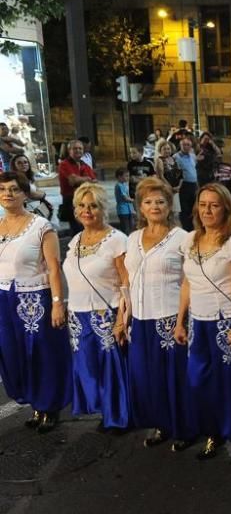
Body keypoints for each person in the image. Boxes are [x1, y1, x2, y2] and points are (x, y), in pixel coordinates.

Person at [173, 184, 231, 464]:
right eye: (203, 204)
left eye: (214, 205)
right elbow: (187, 284)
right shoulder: (190, 240)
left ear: (227, 209)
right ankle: (213, 431)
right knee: (200, 381)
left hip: (226, 321)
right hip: (198, 322)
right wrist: (180, 321)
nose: (207, 210)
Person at [122, 178, 192, 449]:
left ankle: (184, 428)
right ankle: (162, 425)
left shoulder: (182, 238)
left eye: (160, 201)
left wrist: (182, 320)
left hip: (169, 317)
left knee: (175, 377)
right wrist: (122, 318)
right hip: (140, 319)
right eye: (149, 202)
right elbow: (127, 281)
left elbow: (190, 281)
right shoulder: (132, 238)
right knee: (149, 376)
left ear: (169, 205)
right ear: (140, 207)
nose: (155, 206)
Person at [0, 171, 72, 433]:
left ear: (25, 193)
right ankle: (35, 404)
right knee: (13, 353)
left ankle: (49, 406)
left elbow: (54, 268)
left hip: (34, 299)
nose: (8, 194)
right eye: (2, 189)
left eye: (14, 189)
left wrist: (56, 303)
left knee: (41, 354)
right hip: (3, 299)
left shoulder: (41, 226)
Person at [64, 182, 130, 431]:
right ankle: (104, 410)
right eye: (81, 205)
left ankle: (118, 416)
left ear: (103, 208)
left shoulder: (117, 241)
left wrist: (122, 319)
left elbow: (126, 283)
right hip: (78, 316)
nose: (87, 211)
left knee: (111, 369)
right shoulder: (75, 240)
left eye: (93, 206)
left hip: (107, 313)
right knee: (88, 368)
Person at [57, 139, 97, 234]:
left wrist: (81, 179)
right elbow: (73, 181)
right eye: (75, 148)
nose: (78, 150)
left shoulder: (84, 165)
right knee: (77, 231)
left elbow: (95, 182)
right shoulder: (64, 164)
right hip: (71, 201)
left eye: (80, 148)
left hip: (85, 200)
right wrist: (87, 179)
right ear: (69, 150)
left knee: (87, 228)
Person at [174, 137, 199, 231]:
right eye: (184, 144)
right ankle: (186, 229)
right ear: (180, 146)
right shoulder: (176, 157)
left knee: (193, 208)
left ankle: (193, 228)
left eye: (188, 145)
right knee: (184, 209)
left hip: (193, 185)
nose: (186, 146)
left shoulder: (192, 156)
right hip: (183, 185)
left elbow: (194, 170)